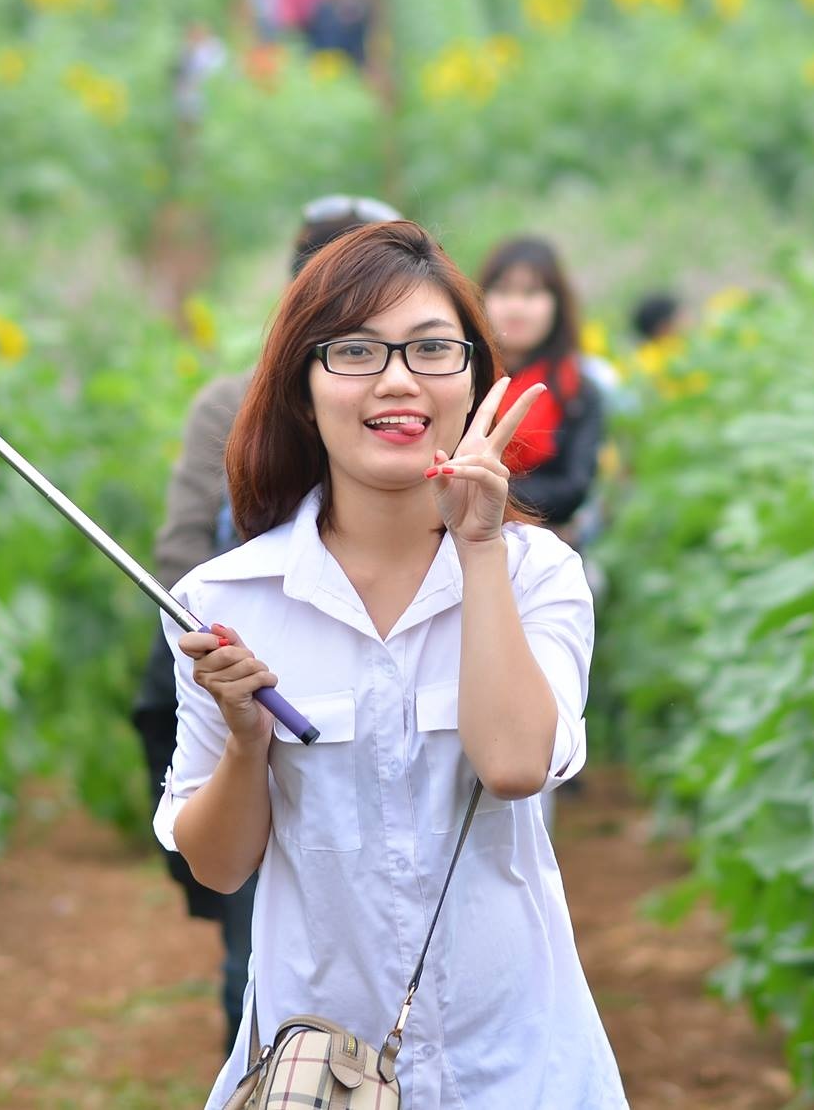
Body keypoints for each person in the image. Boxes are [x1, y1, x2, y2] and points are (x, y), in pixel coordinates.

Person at [158, 221, 627, 1108]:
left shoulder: (537, 575)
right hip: (317, 1074)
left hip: (518, 1066)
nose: (399, 379)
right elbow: (219, 866)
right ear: (303, 391)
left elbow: (515, 765)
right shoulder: (227, 600)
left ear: (474, 381)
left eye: (432, 349)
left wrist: (478, 546)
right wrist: (246, 742)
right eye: (356, 351)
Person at [134, 195, 402, 1050]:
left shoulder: (420, 414)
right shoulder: (230, 409)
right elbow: (182, 558)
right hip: (254, 699)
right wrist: (229, 644)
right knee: (256, 941)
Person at [477, 236, 607, 539]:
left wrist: (482, 489)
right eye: (503, 290)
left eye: (531, 292)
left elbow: (573, 489)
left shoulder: (578, 393)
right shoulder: (463, 381)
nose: (516, 306)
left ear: (556, 304)